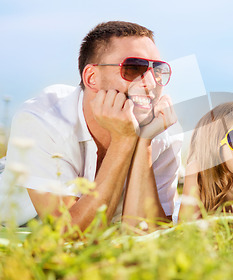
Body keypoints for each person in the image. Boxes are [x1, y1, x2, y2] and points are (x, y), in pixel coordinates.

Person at [0, 21, 182, 230]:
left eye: (157, 71)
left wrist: (144, 142)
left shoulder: (162, 130)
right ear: (92, 78)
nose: (151, 83)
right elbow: (68, 233)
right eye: (134, 68)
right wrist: (123, 140)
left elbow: (150, 233)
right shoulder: (42, 119)